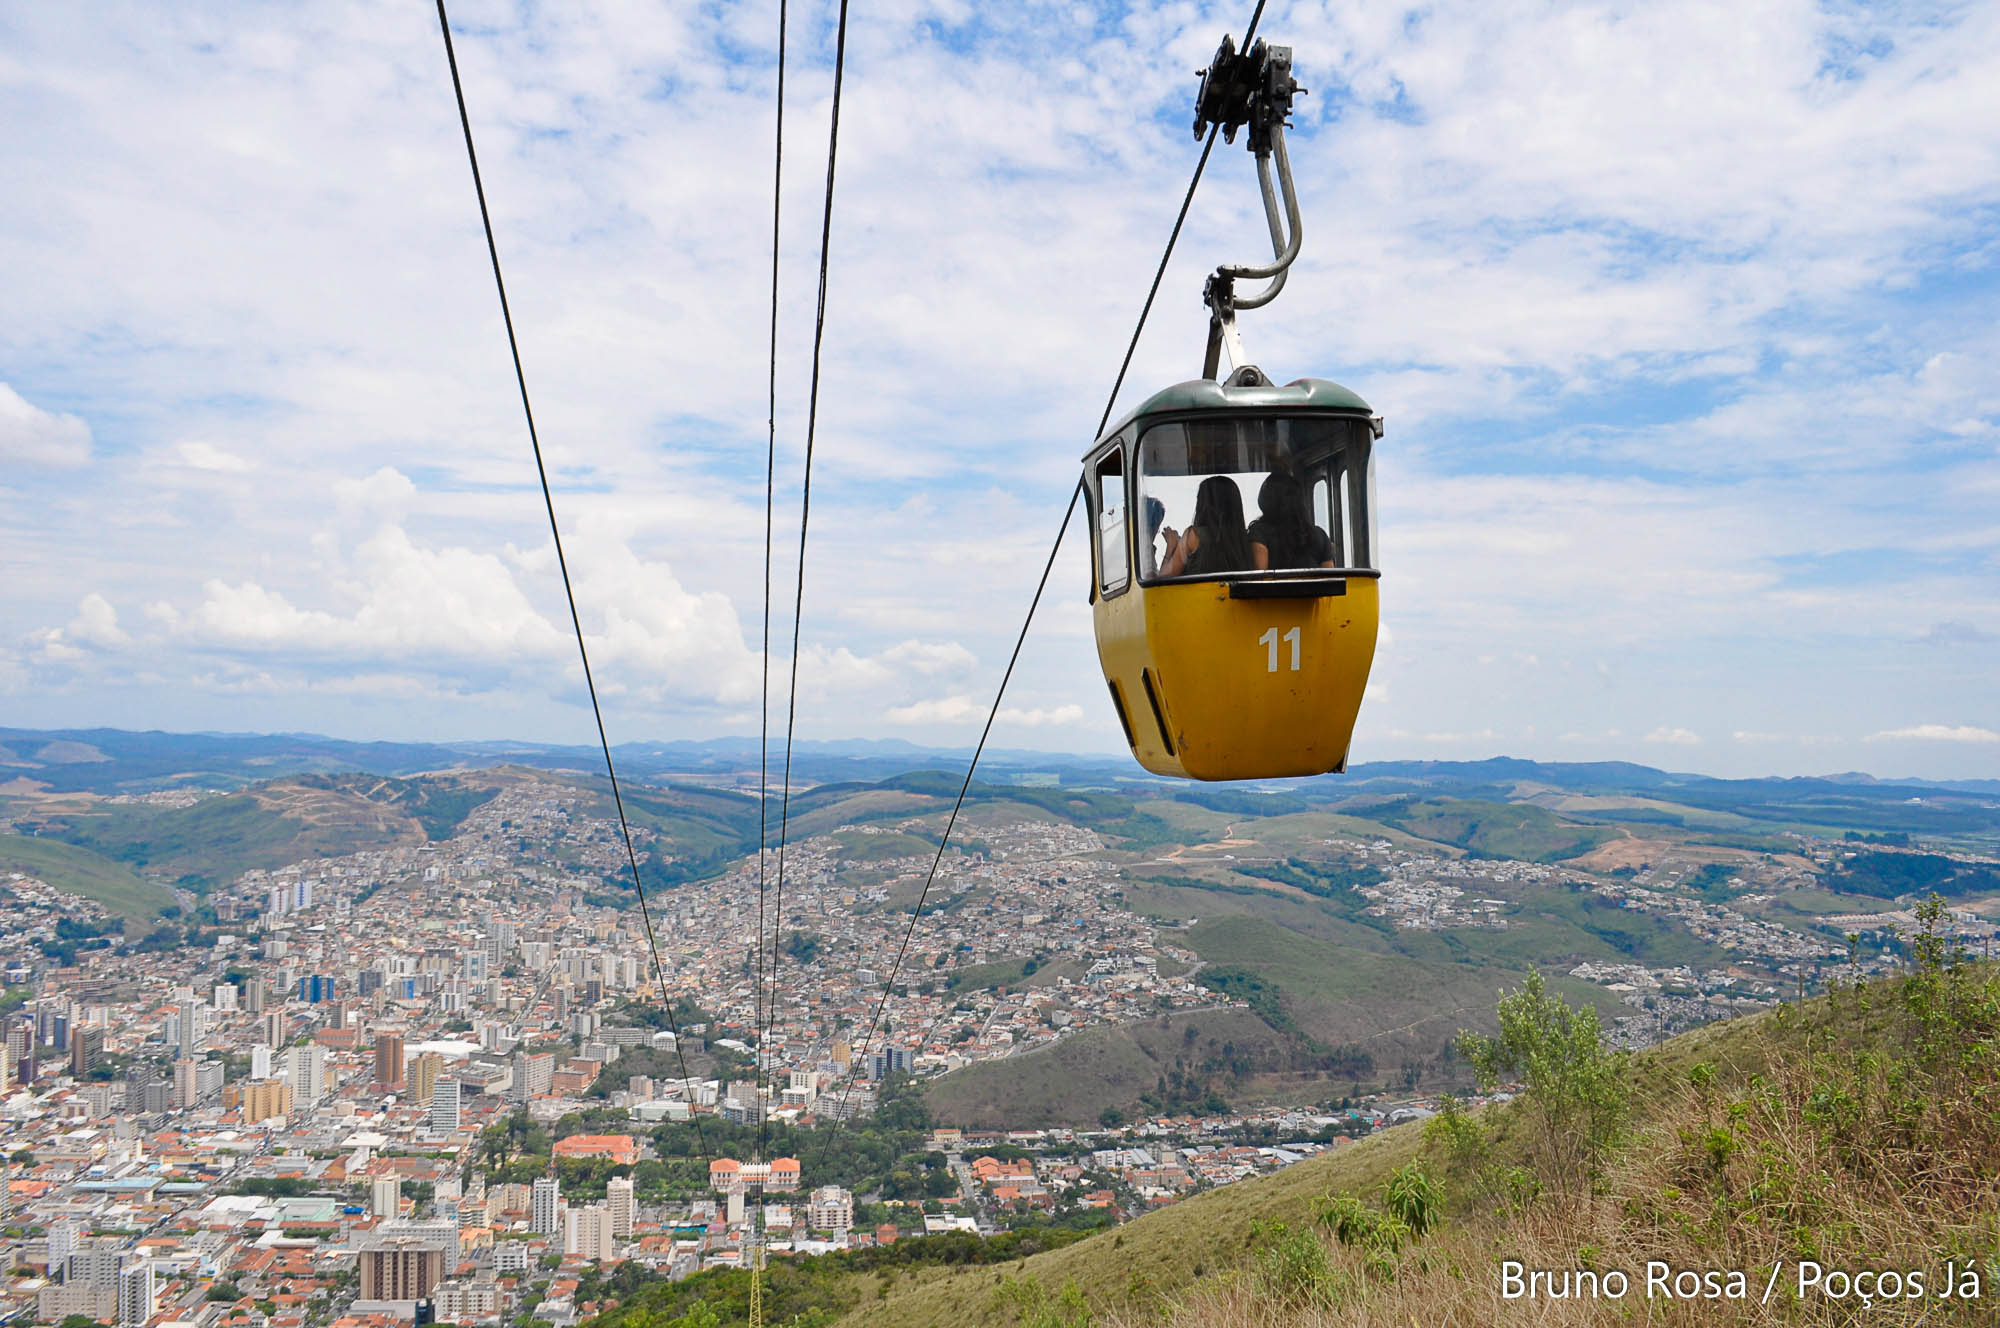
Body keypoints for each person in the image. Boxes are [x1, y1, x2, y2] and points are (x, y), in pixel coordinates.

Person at [1158, 476, 1253, 577]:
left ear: (1203, 504)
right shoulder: (1245, 538)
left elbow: (1164, 577)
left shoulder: (1194, 535)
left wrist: (1171, 545)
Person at [1248, 471, 1337, 570]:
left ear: (1265, 500)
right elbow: (1329, 579)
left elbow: (1259, 578)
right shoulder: (1320, 536)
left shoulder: (1259, 533)